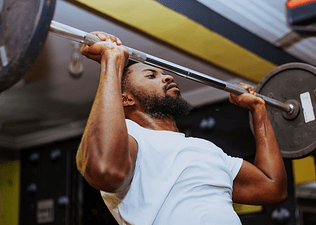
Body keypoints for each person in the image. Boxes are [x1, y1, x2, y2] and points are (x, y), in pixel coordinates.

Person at [76, 32, 287, 225]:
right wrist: (111, 61)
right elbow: (104, 169)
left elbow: (273, 187)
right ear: (126, 99)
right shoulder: (133, 137)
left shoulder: (206, 149)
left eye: (163, 74)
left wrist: (257, 109)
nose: (167, 77)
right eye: (151, 75)